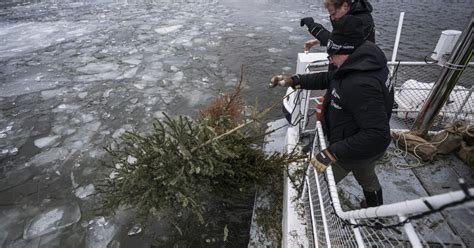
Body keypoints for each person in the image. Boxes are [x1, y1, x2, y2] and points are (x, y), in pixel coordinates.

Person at [270, 15, 393, 208]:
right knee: (367, 176)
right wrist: (294, 80)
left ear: (346, 53)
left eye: (332, 55)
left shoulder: (360, 84)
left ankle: (306, 209)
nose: (330, 60)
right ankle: (375, 211)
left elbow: (378, 134)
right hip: (364, 149)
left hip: (350, 150)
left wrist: (332, 153)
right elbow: (329, 78)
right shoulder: (363, 61)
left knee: (315, 179)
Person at [300, 0, 375, 52]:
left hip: (362, 64)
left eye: (333, 14)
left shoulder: (362, 20)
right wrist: (317, 41)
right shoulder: (342, 16)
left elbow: (340, 44)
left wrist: (312, 26)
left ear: (345, 6)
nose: (332, 18)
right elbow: (338, 36)